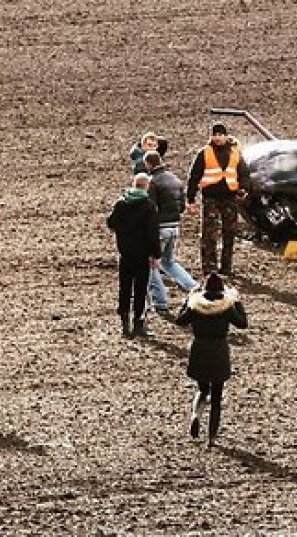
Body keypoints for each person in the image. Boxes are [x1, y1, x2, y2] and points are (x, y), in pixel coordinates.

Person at [175, 272, 247, 446]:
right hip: (219, 350)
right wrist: (237, 301)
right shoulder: (226, 306)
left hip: (199, 348)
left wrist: (188, 299)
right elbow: (242, 323)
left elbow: (180, 320)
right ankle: (212, 437)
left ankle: (196, 414)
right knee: (216, 397)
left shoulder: (196, 304)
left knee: (202, 389)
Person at [187, 122, 251, 276]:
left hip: (230, 198)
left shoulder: (235, 153)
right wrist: (191, 199)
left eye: (220, 135)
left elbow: (244, 173)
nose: (217, 138)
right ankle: (209, 267)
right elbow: (194, 176)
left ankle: (226, 267)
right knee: (209, 234)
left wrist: (244, 189)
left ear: (226, 136)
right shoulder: (204, 153)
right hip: (211, 198)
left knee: (230, 233)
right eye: (215, 135)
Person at [107, 173, 161, 337]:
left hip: (125, 253)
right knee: (140, 290)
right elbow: (152, 233)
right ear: (146, 187)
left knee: (124, 288)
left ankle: (124, 323)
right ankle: (138, 324)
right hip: (142, 255)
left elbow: (110, 222)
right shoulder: (148, 206)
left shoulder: (121, 203)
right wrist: (156, 254)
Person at [144, 150, 198, 315]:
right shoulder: (175, 179)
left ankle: (161, 302)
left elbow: (151, 209)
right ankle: (193, 287)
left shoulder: (153, 182)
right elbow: (181, 205)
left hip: (160, 228)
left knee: (151, 266)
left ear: (148, 164)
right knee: (169, 262)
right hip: (174, 226)